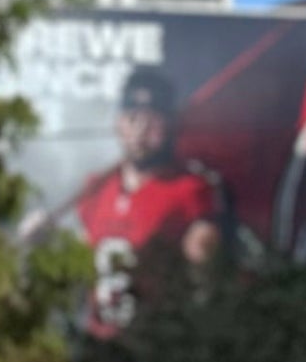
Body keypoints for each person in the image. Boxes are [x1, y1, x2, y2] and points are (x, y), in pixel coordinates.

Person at [66, 63, 230, 336]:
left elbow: (205, 269)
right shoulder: (95, 188)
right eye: (132, 119)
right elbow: (77, 263)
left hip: (159, 342)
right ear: (119, 124)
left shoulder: (191, 189)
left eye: (152, 121)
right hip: (99, 341)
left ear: (170, 125)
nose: (141, 131)